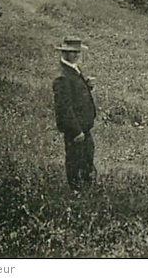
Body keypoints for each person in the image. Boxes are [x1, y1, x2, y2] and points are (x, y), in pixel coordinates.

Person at [52, 36, 97, 191]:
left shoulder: (73, 70)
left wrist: (87, 86)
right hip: (76, 130)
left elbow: (75, 96)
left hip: (84, 128)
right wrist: (76, 130)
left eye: (78, 52)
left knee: (87, 159)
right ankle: (76, 193)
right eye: (73, 52)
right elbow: (64, 108)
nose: (77, 55)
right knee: (75, 161)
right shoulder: (62, 76)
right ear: (64, 53)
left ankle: (86, 191)